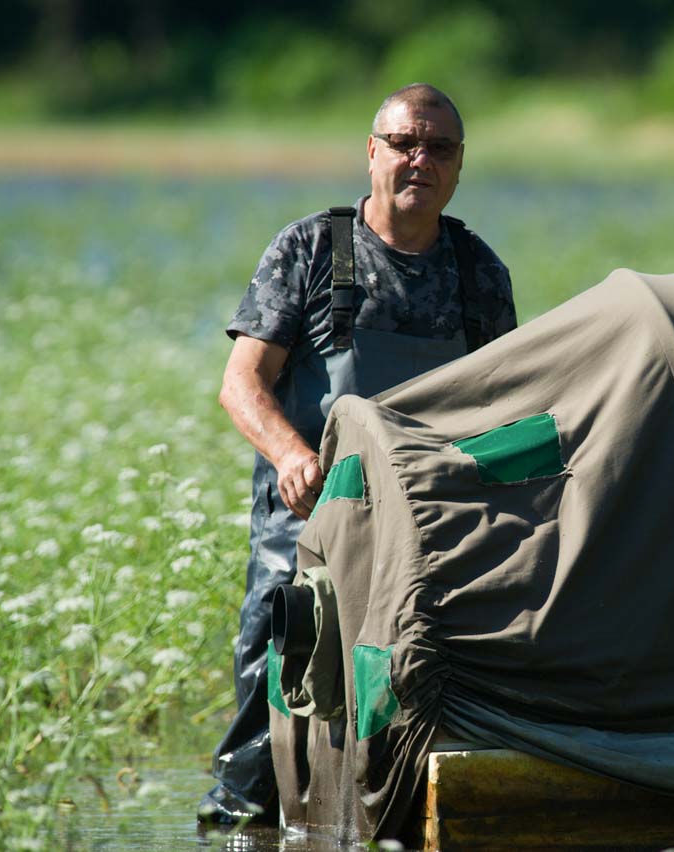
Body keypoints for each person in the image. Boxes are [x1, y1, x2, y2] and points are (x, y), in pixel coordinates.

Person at [199, 83, 517, 824]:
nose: (420, 159)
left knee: (426, 687)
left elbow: (505, 404)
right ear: (372, 152)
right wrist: (288, 455)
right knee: (271, 682)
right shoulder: (312, 249)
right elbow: (242, 383)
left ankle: (388, 818)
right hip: (311, 515)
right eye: (404, 142)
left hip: (431, 526)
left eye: (439, 148)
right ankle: (240, 823)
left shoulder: (479, 274)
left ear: (459, 166)